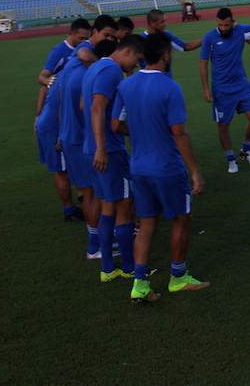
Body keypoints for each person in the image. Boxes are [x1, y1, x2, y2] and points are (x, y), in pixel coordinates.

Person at [111, 33, 208, 302]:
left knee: (146, 224)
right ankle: (178, 277)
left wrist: (141, 134)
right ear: (166, 54)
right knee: (181, 219)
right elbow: (178, 133)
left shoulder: (127, 86)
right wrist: (195, 171)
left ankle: (140, 285)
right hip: (166, 167)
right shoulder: (169, 87)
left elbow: (115, 125)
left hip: (138, 166)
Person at [83, 35, 145, 282]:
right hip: (109, 150)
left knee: (108, 206)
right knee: (124, 206)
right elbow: (97, 107)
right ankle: (130, 268)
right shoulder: (111, 72)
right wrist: (102, 146)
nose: (135, 66)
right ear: (128, 52)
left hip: (94, 147)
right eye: (137, 60)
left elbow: (83, 105)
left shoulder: (96, 67)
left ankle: (108, 268)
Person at [58, 25, 118, 259]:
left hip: (72, 135)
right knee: (91, 192)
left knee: (92, 191)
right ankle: (95, 246)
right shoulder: (89, 63)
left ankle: (100, 240)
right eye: (107, 34)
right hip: (79, 138)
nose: (110, 38)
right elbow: (89, 107)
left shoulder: (79, 64)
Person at [34, 18, 91, 220]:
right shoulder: (60, 51)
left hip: (65, 114)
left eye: (87, 37)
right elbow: (42, 76)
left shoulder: (84, 51)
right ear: (72, 33)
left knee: (73, 160)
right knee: (61, 168)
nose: (84, 41)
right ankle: (69, 209)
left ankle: (82, 195)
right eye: (81, 37)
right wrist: (53, 84)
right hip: (55, 116)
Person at [199, 7, 250, 174]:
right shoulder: (209, 38)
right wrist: (206, 88)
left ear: (233, 22)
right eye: (221, 25)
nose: (224, 28)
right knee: (224, 125)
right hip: (221, 89)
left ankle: (246, 150)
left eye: (227, 25)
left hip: (242, 85)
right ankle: (231, 159)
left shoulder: (241, 30)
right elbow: (203, 62)